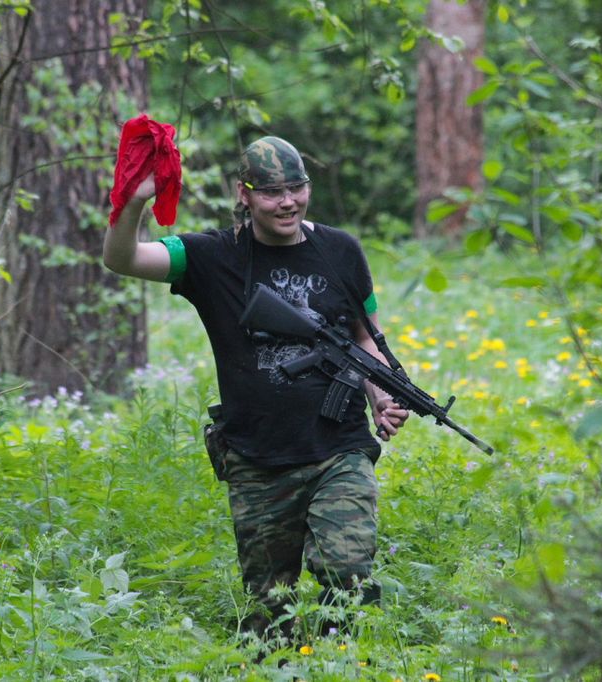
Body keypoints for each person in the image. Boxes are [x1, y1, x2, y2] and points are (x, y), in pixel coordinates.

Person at [103, 135, 409, 641]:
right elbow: (123, 259)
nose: (287, 201)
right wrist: (135, 200)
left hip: (339, 447)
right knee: (269, 609)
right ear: (243, 194)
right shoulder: (209, 256)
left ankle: (337, 660)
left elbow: (364, 338)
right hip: (256, 459)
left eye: (296, 187)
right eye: (271, 191)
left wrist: (382, 394)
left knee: (350, 570)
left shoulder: (341, 250)